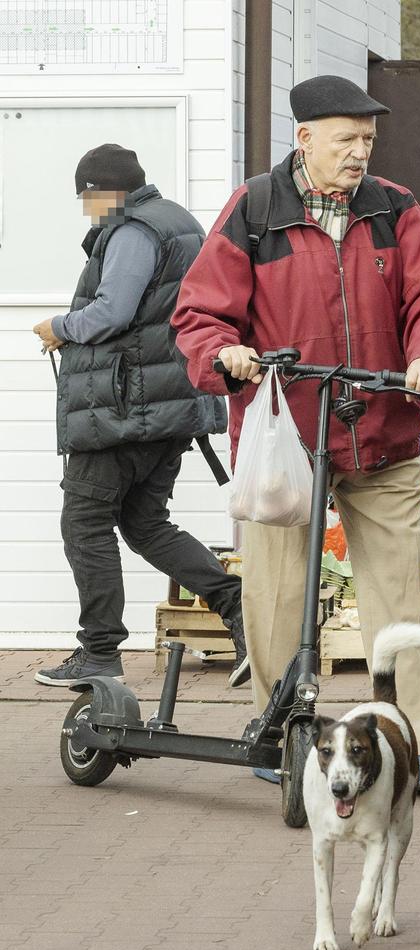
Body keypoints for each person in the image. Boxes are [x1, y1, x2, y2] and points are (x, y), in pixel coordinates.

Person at [171, 77, 420, 791]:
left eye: (368, 140)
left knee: (400, 600)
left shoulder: (397, 209)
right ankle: (283, 738)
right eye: (346, 140)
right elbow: (200, 312)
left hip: (383, 431)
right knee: (277, 597)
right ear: (304, 139)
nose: (360, 153)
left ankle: (413, 744)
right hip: (286, 439)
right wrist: (224, 356)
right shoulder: (256, 211)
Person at [32, 143, 249, 688]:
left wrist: (61, 327)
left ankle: (99, 655)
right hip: (166, 406)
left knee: (84, 523)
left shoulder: (132, 230)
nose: (85, 210)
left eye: (86, 198)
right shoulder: (176, 220)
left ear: (99, 191)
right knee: (145, 524)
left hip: (125, 413)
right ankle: (240, 608)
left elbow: (113, 311)